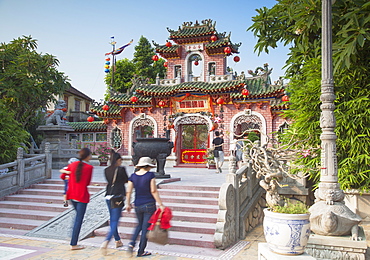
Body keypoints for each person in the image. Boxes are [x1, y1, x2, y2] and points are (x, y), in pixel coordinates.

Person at [126, 157, 165, 257]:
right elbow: (153, 191)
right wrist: (160, 204)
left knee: (139, 225)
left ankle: (131, 244)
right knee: (145, 229)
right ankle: (141, 250)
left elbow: (129, 191)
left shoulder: (133, 176)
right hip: (149, 204)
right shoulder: (150, 175)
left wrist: (127, 203)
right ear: (148, 166)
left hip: (137, 204)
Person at [100, 152, 128, 255]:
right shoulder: (121, 169)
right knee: (115, 221)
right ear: (117, 160)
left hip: (108, 196)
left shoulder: (106, 170)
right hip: (117, 196)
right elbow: (126, 180)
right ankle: (106, 241)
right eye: (120, 160)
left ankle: (117, 240)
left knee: (112, 219)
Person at [65, 148, 93, 250]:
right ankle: (74, 243)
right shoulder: (89, 167)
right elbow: (87, 183)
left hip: (72, 195)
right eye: (90, 155)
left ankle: (73, 237)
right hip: (81, 196)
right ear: (87, 156)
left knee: (77, 218)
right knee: (78, 220)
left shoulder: (72, 165)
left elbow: (63, 175)